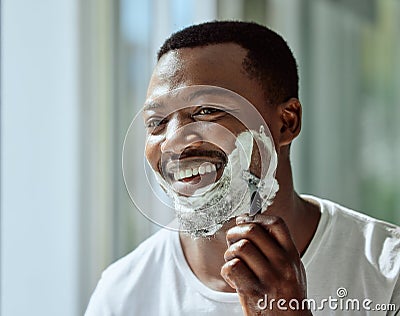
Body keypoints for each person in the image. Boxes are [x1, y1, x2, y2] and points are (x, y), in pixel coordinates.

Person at [85, 21, 400, 315]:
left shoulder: (387, 274)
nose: (173, 144)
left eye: (207, 110)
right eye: (157, 123)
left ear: (286, 122)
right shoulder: (122, 295)